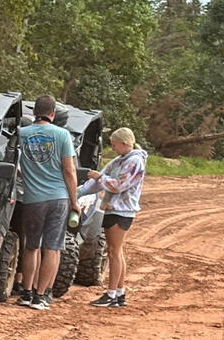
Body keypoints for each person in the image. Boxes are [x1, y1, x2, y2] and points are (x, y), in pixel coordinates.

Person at [11, 96, 77, 308]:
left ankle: (27, 292)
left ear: (35, 111)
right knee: (53, 248)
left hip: (32, 199)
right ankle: (41, 295)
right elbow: (69, 170)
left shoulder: (22, 134)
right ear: (53, 113)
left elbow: (15, 166)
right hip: (57, 197)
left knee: (31, 246)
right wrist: (74, 201)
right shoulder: (62, 135)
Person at [86, 127, 146, 307]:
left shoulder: (134, 161)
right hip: (114, 209)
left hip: (121, 210)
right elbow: (101, 180)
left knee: (113, 252)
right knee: (117, 251)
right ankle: (119, 293)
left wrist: (100, 178)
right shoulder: (120, 160)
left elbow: (119, 185)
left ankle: (111, 293)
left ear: (124, 143)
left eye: (114, 145)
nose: (113, 149)